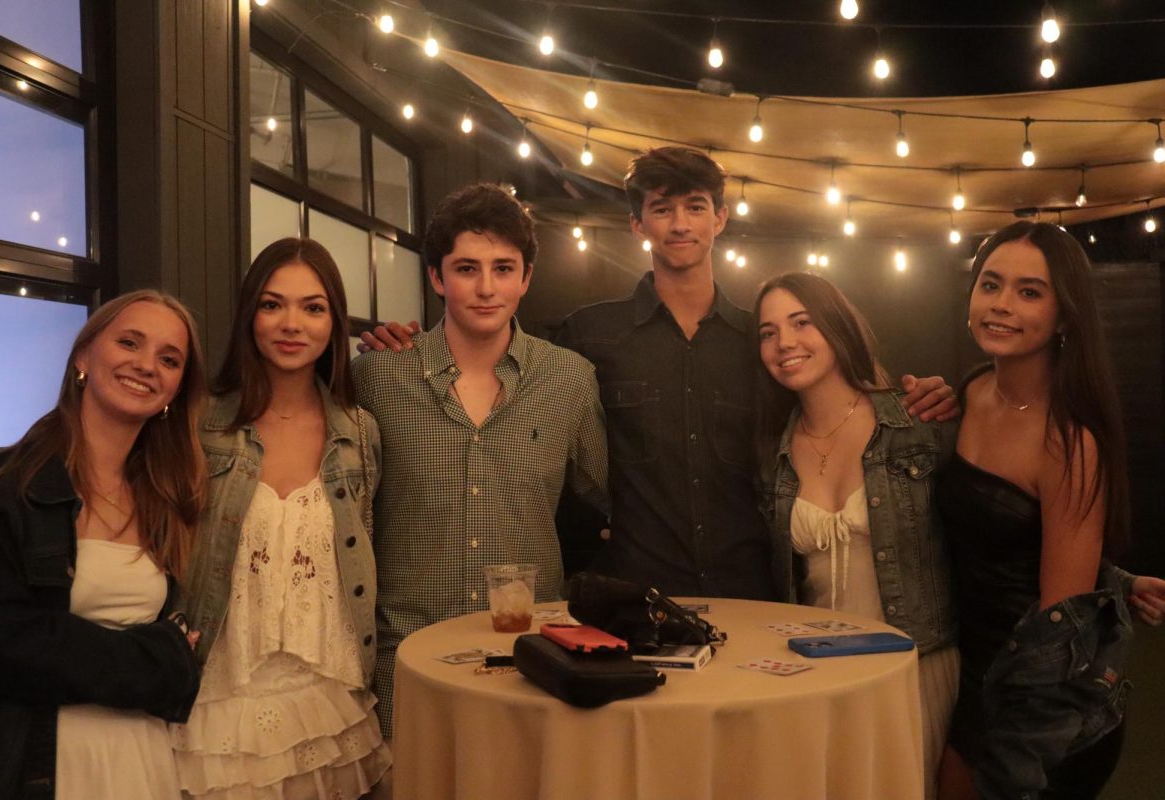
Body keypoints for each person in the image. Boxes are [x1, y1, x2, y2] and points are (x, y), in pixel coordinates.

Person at [362, 147, 956, 602]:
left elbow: (835, 399)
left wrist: (910, 395)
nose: (679, 223)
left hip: (755, 589)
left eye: (695, 206)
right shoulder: (587, 337)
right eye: (662, 207)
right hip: (634, 594)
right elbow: (493, 355)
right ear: (637, 224)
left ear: (720, 218)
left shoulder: (764, 339)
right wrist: (406, 341)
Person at [352, 183, 608, 737]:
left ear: (527, 277)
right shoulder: (379, 376)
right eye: (467, 268)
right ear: (438, 278)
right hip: (409, 655)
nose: (487, 287)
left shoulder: (569, 379)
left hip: (532, 656)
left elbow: (603, 500)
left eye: (503, 268)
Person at [936, 221, 1165, 800]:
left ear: (1064, 317)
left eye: (1029, 292)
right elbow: (998, 541)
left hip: (1038, 711)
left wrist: (1013, 763)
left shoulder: (1069, 441)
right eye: (991, 284)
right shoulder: (971, 391)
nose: (1001, 305)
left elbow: (1058, 636)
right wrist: (1117, 581)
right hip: (965, 674)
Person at [171, 239, 391, 798]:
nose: (292, 324)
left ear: (334, 321)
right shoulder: (200, 422)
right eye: (273, 305)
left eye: (313, 308)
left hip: (330, 700)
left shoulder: (360, 432)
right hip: (219, 701)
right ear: (250, 314)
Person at [0, 290, 207, 800]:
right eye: (129, 342)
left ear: (176, 389)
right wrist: (164, 663)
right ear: (83, 357)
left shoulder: (165, 496)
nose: (146, 365)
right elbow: (2, 647)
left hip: (141, 757)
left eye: (169, 359)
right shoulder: (0, 488)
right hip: (40, 762)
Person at [754, 272, 958, 798]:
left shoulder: (915, 422)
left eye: (802, 323)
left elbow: (994, 526)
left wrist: (1110, 576)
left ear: (838, 325)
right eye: (768, 332)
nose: (785, 344)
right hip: (817, 671)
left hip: (914, 667)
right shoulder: (772, 450)